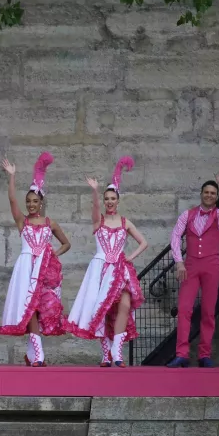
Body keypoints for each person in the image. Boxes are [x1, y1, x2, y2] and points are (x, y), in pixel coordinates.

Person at [65, 157, 148, 367]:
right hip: (100, 268)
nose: (109, 202)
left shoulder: (125, 222)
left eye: (113, 198)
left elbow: (143, 242)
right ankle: (106, 355)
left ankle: (116, 352)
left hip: (120, 269)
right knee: (102, 308)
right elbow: (94, 208)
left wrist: (130, 257)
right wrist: (94, 191)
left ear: (118, 200)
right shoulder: (98, 221)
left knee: (125, 305)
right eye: (106, 199)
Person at [0, 152, 71, 367]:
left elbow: (66, 243)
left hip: (45, 269)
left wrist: (52, 256)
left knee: (40, 309)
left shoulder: (51, 223)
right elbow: (12, 199)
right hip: (26, 267)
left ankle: (31, 354)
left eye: (34, 201)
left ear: (41, 202)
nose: (30, 204)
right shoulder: (23, 222)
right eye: (28, 201)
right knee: (29, 306)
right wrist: (12, 176)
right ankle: (38, 354)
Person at [167, 167, 219, 368]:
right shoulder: (188, 215)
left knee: (208, 311)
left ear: (215, 196)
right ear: (201, 194)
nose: (210, 196)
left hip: (211, 266)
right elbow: (175, 236)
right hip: (191, 266)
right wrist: (178, 261)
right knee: (185, 309)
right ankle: (182, 354)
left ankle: (204, 354)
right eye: (207, 192)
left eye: (213, 193)